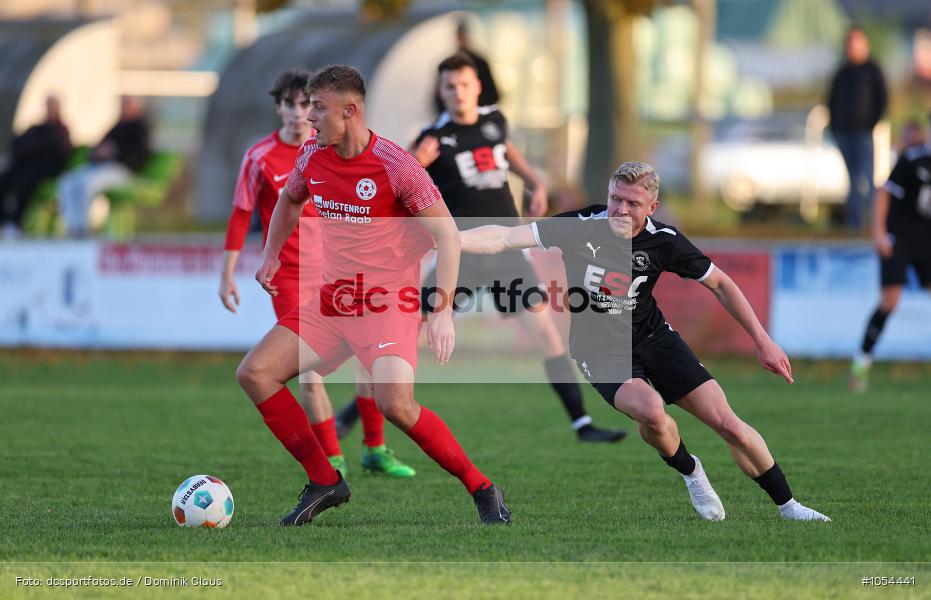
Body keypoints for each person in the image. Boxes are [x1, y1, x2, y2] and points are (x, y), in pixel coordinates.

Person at [458, 161, 831, 522]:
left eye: (632, 203)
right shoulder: (580, 225)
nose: (620, 210)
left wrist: (763, 341)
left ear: (652, 207)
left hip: (654, 338)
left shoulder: (664, 241)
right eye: (615, 199)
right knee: (652, 412)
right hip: (599, 350)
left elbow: (721, 284)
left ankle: (790, 506)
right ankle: (691, 471)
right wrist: (451, 239)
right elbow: (507, 236)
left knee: (728, 424)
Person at [236, 65, 510, 526]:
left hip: (387, 305)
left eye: (317, 108)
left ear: (350, 110)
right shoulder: (311, 155)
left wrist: (440, 312)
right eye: (306, 107)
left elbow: (447, 235)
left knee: (394, 405)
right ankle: (325, 481)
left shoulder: (396, 165)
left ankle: (482, 487)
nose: (309, 118)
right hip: (333, 303)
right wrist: (270, 255)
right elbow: (290, 200)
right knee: (255, 373)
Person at [414, 52, 625, 443]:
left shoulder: (494, 121)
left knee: (546, 334)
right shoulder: (432, 137)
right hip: (462, 252)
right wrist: (414, 162)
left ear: (477, 86)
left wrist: (535, 182)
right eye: (449, 86)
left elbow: (507, 152)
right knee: (409, 331)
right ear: (440, 92)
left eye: (464, 84)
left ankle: (583, 425)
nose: (457, 92)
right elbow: (403, 185)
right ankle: (356, 421)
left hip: (508, 251)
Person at [219, 69, 414, 478]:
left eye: (307, 105)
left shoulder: (330, 146)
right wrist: (229, 272)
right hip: (290, 276)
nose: (299, 113)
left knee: (371, 361)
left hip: (335, 272)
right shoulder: (260, 157)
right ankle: (329, 458)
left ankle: (374, 447)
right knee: (305, 370)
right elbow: (243, 214)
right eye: (291, 105)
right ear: (278, 108)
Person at [850, 112, 931, 392]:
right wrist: (879, 233)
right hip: (900, 239)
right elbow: (884, 193)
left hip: (927, 242)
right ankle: (861, 366)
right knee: (890, 302)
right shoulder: (912, 159)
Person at [57, 96, 151, 236]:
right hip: (99, 167)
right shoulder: (117, 126)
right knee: (67, 182)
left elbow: (139, 156)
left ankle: (83, 228)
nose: (123, 107)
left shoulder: (140, 128)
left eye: (126, 104)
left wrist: (115, 152)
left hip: (121, 170)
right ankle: (72, 226)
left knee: (86, 184)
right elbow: (97, 148)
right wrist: (99, 153)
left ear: (136, 108)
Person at [827, 26, 888, 232]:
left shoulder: (872, 70)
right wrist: (835, 128)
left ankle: (872, 224)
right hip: (844, 134)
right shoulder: (842, 72)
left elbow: (882, 99)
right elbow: (831, 101)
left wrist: (870, 123)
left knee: (866, 180)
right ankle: (854, 225)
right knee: (852, 181)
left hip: (863, 134)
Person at [0, 95, 71, 238]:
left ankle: (16, 222)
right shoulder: (36, 128)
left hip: (43, 170)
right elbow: (18, 145)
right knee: (4, 179)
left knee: (24, 183)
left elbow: (59, 154)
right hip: (25, 166)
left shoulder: (61, 130)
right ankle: (4, 220)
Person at [433, 18, 499, 115]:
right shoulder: (446, 65)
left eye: (465, 85)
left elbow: (493, 94)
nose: (459, 93)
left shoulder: (481, 63)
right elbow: (437, 99)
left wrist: (470, 105)